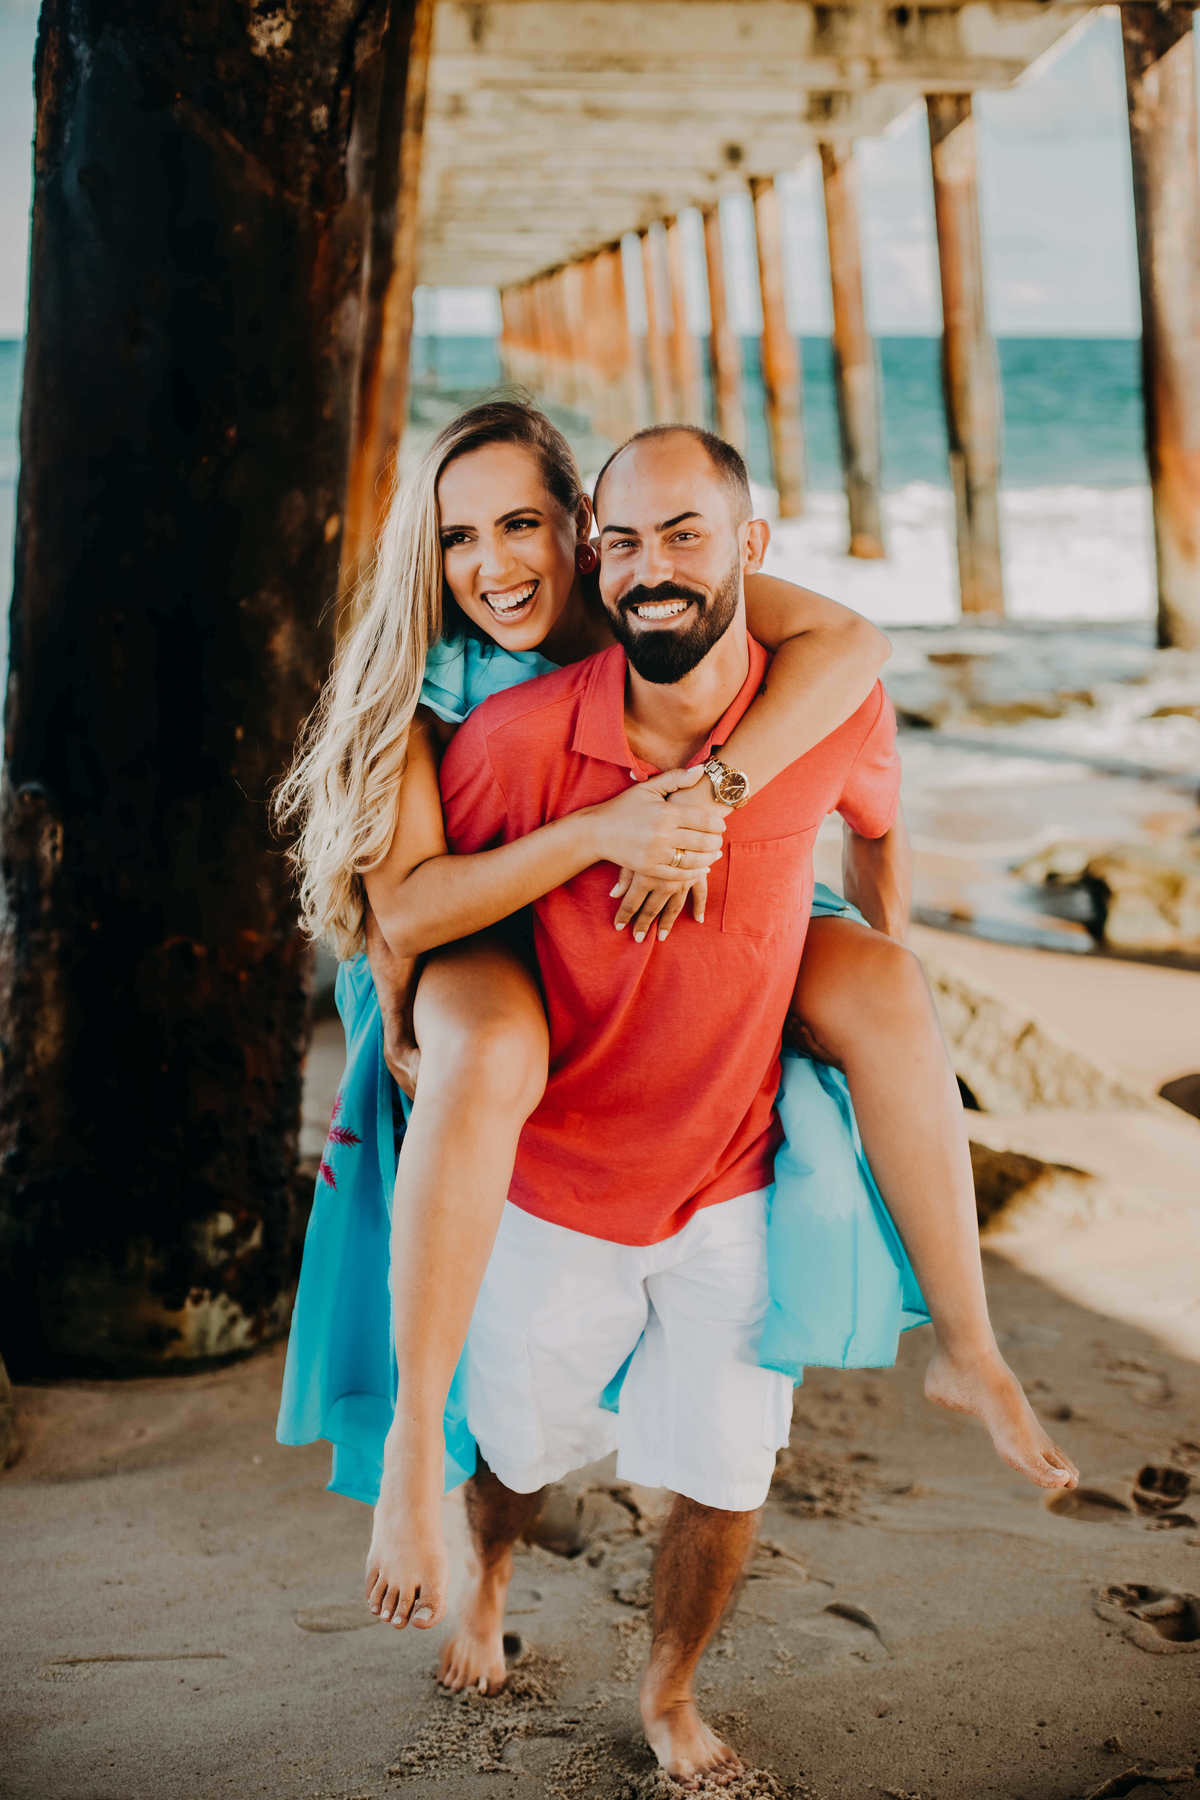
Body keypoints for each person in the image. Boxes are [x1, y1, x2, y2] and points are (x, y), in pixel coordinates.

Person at [274, 406, 1078, 1737]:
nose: (496, 561)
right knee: (494, 1050)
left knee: (882, 984)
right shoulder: (446, 707)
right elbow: (407, 911)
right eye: (460, 534)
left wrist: (714, 800)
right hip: (486, 928)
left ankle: (970, 1348)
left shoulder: (673, 603)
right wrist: (600, 833)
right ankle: (423, 1447)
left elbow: (859, 663)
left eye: (524, 523)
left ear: (580, 533)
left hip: (698, 903)